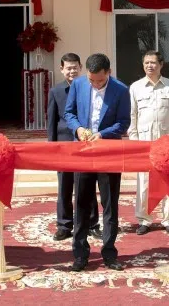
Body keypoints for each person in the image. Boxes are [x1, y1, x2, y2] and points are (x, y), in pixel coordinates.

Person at [63, 53, 131, 272]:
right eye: (91, 80)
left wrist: (102, 134)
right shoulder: (79, 84)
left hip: (108, 152)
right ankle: (80, 254)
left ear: (108, 73)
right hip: (83, 151)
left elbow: (123, 122)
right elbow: (69, 112)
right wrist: (78, 129)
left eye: (99, 81)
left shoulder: (121, 90)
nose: (94, 84)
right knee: (81, 204)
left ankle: (109, 253)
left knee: (110, 204)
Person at [128, 50, 169, 235]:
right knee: (144, 182)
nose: (149, 66)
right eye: (146, 63)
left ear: (161, 65)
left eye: (153, 63)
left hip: (167, 142)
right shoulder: (136, 87)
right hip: (145, 142)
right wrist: (134, 141)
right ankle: (144, 219)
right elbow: (132, 116)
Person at [47, 52, 100, 241]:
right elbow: (52, 121)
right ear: (62, 69)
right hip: (64, 145)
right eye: (68, 68)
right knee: (65, 186)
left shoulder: (90, 86)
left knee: (87, 185)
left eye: (75, 67)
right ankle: (64, 225)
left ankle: (92, 223)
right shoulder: (56, 91)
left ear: (81, 68)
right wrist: (51, 147)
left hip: (86, 143)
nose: (72, 71)